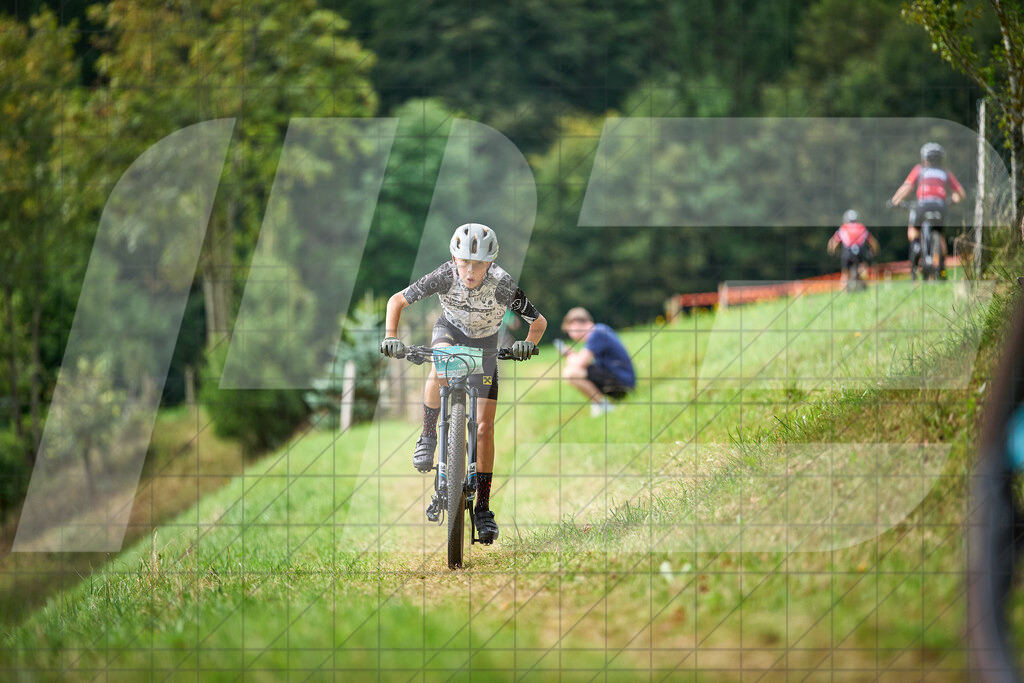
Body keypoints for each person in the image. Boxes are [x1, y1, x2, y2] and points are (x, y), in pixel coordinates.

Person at [380, 223, 547, 543]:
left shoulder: (502, 285)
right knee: (438, 365)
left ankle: (483, 507)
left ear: (491, 262)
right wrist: (390, 336)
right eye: (465, 262)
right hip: (449, 333)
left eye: (480, 264)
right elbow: (396, 301)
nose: (471, 271)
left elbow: (538, 323)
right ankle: (428, 436)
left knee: (484, 428)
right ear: (454, 259)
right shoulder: (444, 275)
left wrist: (527, 343)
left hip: (486, 343)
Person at [889, 142, 965, 280]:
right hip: (940, 206)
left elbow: (906, 188)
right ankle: (942, 269)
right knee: (939, 235)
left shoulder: (919, 170)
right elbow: (960, 194)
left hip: (922, 205)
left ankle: (917, 249)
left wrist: (895, 201)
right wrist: (951, 201)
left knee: (913, 230)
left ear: (924, 159)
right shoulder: (945, 173)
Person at [555, 307, 635, 417]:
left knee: (570, 374)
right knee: (577, 371)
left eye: (569, 330)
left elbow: (580, 363)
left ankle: (604, 405)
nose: (570, 335)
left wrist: (570, 356)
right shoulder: (600, 330)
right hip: (621, 380)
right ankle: (599, 403)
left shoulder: (596, 334)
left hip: (623, 384)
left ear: (575, 324)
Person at [827, 209, 880, 289]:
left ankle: (843, 292)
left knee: (845, 274)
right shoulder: (862, 227)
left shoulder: (843, 228)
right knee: (862, 268)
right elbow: (873, 242)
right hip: (860, 251)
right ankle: (864, 288)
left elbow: (833, 242)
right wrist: (874, 251)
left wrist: (833, 252)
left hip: (847, 252)